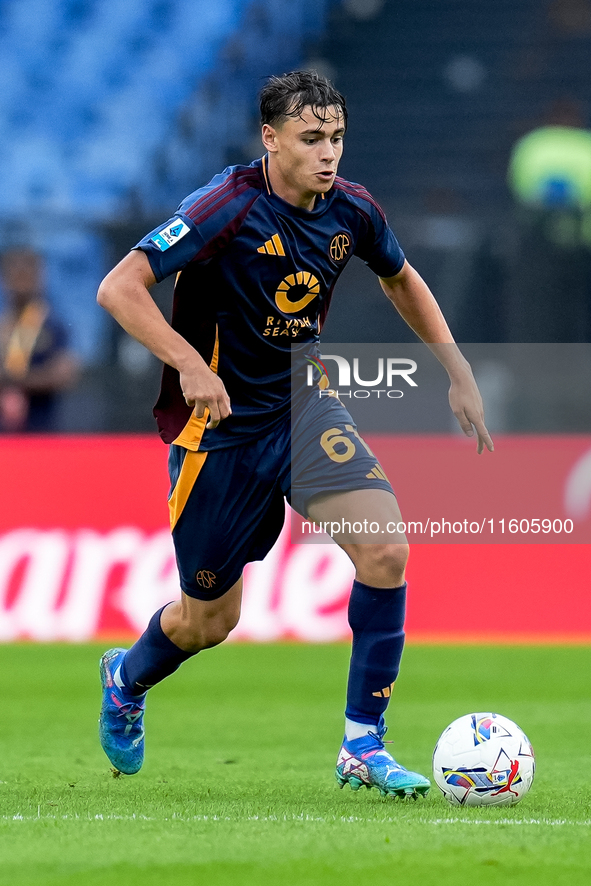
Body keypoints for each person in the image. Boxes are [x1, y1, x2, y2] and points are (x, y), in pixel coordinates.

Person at [96, 71, 493, 797]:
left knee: (384, 548)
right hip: (216, 432)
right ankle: (126, 678)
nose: (328, 153)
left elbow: (399, 277)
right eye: (311, 139)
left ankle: (361, 744)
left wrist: (454, 367)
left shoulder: (352, 210)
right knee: (207, 620)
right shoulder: (224, 208)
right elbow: (119, 287)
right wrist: (189, 366)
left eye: (336, 137)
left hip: (302, 409)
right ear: (270, 140)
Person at [0, 248, 79, 432]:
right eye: (15, 273)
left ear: (39, 276)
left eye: (26, 273)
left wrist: (15, 384)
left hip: (41, 430)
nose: (20, 281)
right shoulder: (3, 323)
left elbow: (63, 375)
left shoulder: (53, 325)